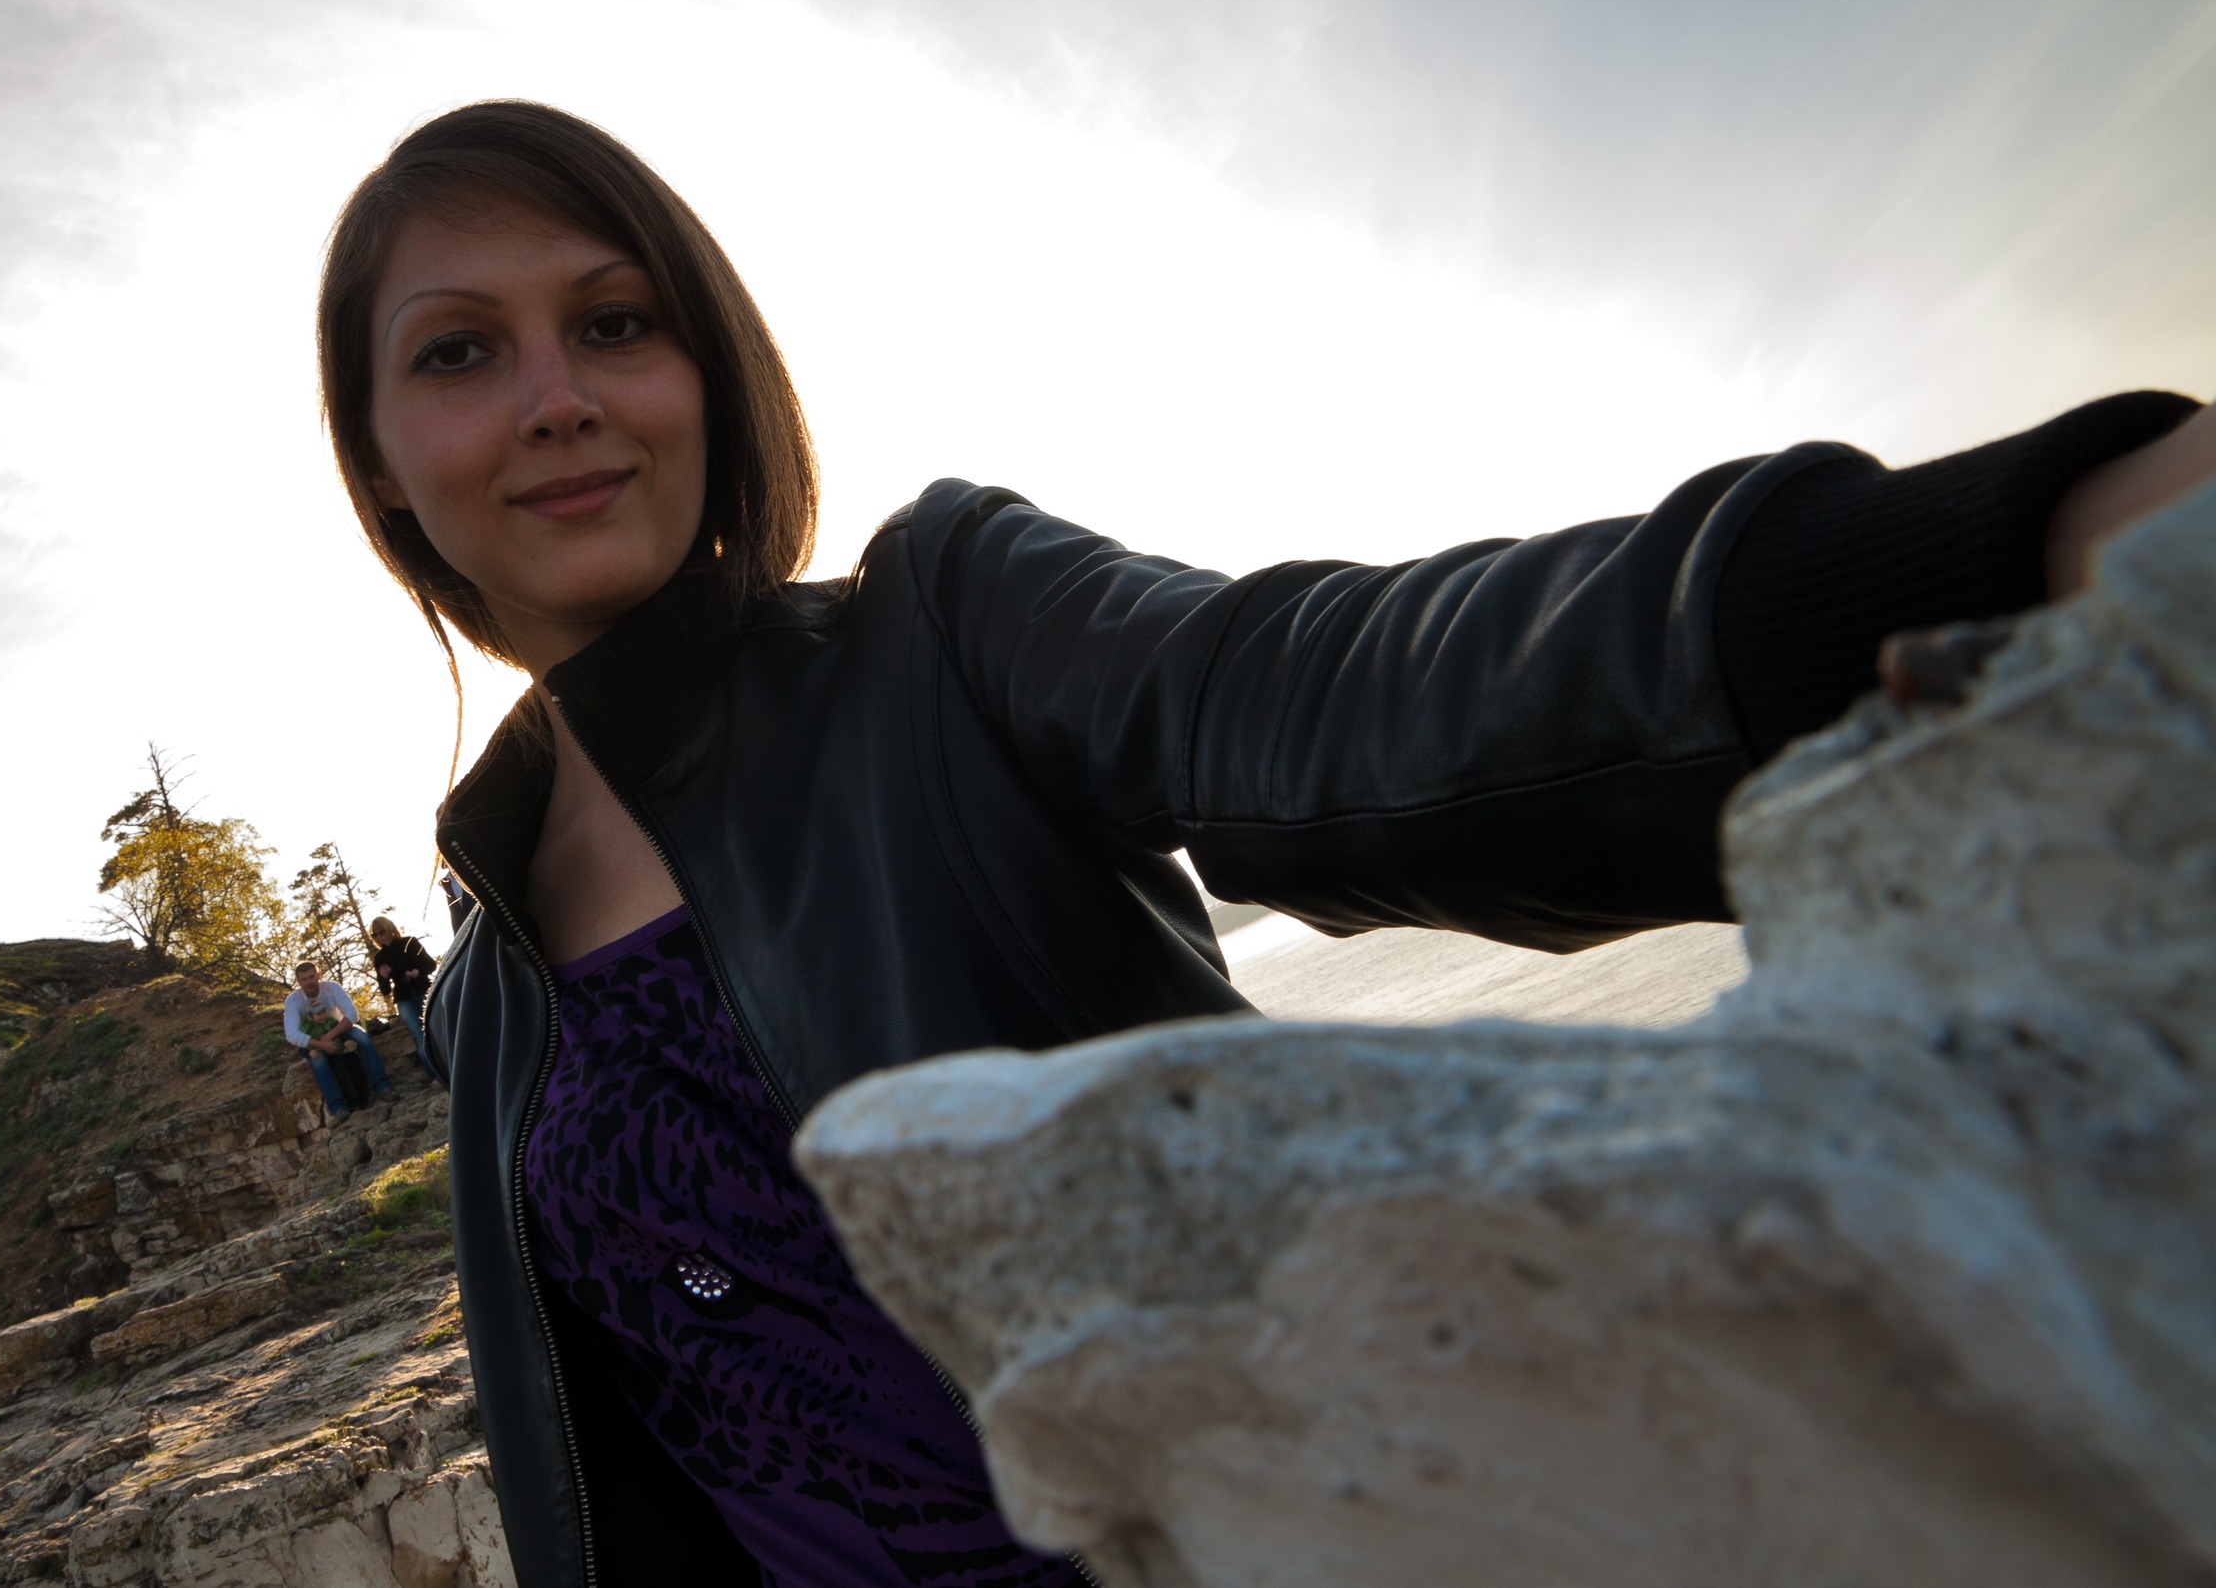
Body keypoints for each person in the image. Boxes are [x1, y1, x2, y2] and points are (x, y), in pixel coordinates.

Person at [317, 101, 2216, 1588]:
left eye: (615, 321)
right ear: (383, 463)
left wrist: (2017, 546)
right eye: (461, 352)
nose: (558, 395)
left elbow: (1357, 693)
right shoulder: (481, 994)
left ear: (709, 368)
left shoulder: (944, 634)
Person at [281, 960, 393, 1120]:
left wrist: (330, 1035)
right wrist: (321, 1044)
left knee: (361, 1036)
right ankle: (338, 1107)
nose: (309, 982)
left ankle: (383, 1087)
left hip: (340, 1029)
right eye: (304, 979)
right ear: (298, 981)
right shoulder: (293, 1000)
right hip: (315, 1038)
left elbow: (352, 1014)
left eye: (312, 977)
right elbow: (291, 1033)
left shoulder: (332, 988)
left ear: (318, 976)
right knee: (318, 1061)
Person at [368, 916, 441, 1083]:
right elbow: (385, 990)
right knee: (419, 1035)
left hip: (423, 989)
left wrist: (417, 972)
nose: (379, 937)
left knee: (437, 1027)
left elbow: (431, 964)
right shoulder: (380, 958)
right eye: (374, 935)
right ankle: (435, 1076)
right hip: (404, 998)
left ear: (389, 929)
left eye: (381, 932)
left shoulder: (409, 942)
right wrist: (383, 977)